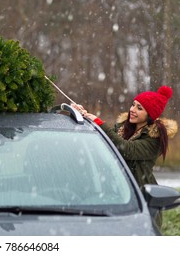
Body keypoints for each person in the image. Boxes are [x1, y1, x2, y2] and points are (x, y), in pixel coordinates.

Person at [72, 86, 178, 229]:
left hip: (141, 199)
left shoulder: (154, 139)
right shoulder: (123, 128)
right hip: (114, 194)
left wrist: (99, 123)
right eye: (133, 104)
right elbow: (104, 142)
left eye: (139, 108)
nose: (132, 110)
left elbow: (126, 149)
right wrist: (85, 116)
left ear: (150, 115)